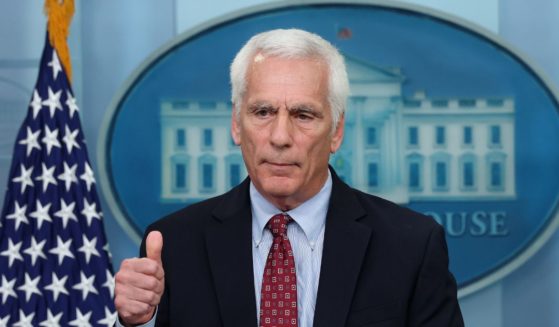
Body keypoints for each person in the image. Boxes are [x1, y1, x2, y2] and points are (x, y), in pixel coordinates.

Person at [114, 28, 464, 327]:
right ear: (237, 124)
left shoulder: (412, 246)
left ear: (337, 131)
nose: (280, 137)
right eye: (263, 112)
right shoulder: (174, 245)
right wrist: (136, 322)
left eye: (303, 114)